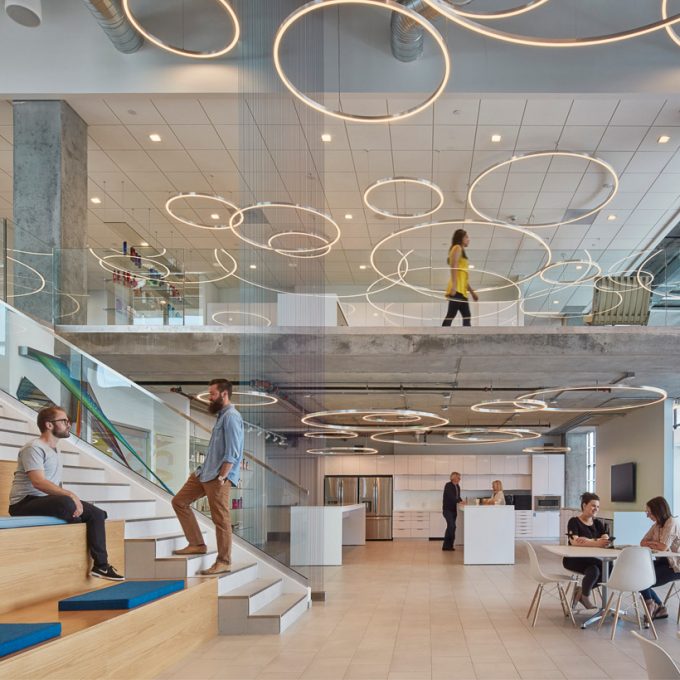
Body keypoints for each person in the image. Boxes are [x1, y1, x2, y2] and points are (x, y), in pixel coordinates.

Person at [8, 405, 124, 581]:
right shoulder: (33, 448)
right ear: (49, 425)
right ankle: (70, 553)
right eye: (64, 421)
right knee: (68, 504)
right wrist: (70, 495)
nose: (68, 424)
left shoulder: (55, 449)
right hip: (24, 503)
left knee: (97, 514)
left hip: (46, 500)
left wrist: (71, 498)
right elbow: (38, 482)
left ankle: (101, 566)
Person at [172, 378, 244, 575]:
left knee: (221, 519)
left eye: (212, 394)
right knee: (179, 501)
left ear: (224, 394)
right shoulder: (221, 416)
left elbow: (233, 451)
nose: (210, 397)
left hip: (218, 476)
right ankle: (196, 544)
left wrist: (222, 477)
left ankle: (224, 561)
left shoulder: (231, 417)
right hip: (204, 473)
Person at [563, 492, 610, 610]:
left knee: (606, 569)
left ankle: (581, 592)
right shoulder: (574, 521)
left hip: (593, 559)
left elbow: (605, 539)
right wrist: (596, 542)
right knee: (600, 568)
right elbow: (575, 541)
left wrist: (588, 540)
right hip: (574, 559)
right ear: (584, 505)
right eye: (593, 505)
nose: (596, 509)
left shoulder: (598, 523)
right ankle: (585, 597)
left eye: (598, 507)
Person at [639, 496, 680, 620]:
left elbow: (663, 546)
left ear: (658, 511)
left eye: (649, 512)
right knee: (636, 574)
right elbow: (642, 542)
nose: (647, 515)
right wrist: (656, 544)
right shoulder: (657, 525)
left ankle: (653, 605)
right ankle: (658, 606)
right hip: (663, 563)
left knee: (642, 579)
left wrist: (653, 544)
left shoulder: (671, 522)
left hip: (675, 566)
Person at [442, 228, 478, 327]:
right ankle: (442, 333)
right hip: (457, 289)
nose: (468, 239)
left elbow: (464, 277)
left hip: (462, 291)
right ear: (461, 238)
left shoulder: (461, 251)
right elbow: (454, 266)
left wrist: (472, 292)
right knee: (451, 314)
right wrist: (454, 285)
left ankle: (466, 335)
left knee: (466, 315)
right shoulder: (457, 248)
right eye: (466, 237)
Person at [442, 472, 463, 551]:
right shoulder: (448, 485)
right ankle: (449, 545)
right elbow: (451, 497)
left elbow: (458, 497)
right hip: (447, 510)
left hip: (454, 510)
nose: (460, 479)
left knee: (450, 527)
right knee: (452, 526)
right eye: (458, 477)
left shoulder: (457, 486)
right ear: (453, 478)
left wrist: (462, 501)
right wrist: (459, 501)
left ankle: (447, 546)